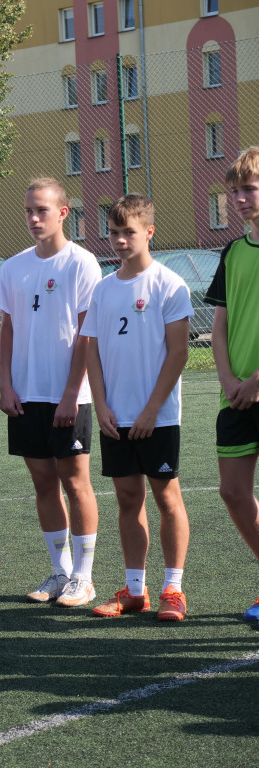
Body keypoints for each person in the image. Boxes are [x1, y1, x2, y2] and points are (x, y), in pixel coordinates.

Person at [81, 194, 191, 621]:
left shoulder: (169, 284)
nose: (120, 240)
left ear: (149, 232)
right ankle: (134, 590)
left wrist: (151, 410)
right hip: (115, 416)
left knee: (167, 497)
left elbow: (178, 354)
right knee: (128, 499)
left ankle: (173, 589)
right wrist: (101, 405)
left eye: (129, 232)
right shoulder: (103, 289)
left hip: (156, 416)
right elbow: (91, 352)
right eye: (114, 232)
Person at [0, 178, 101, 607]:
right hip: (26, 394)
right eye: (28, 210)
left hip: (69, 395)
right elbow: (7, 329)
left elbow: (87, 335)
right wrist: (5, 384)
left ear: (63, 212)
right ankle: (60, 573)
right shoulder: (13, 267)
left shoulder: (82, 263)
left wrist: (71, 394)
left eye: (42, 210)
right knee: (43, 483)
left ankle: (84, 577)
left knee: (75, 483)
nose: (34, 218)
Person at [205, 146, 259, 622]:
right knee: (233, 492)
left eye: (250, 189)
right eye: (234, 191)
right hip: (235, 393)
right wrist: (227, 377)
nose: (240, 199)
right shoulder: (233, 252)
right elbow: (219, 325)